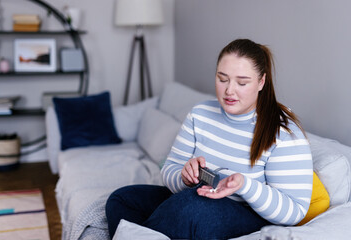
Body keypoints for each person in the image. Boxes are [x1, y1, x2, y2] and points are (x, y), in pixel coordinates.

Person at [105, 39, 313, 239]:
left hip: (244, 212)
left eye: (242, 82)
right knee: (122, 199)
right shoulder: (200, 114)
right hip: (193, 199)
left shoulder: (283, 132)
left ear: (261, 82)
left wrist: (244, 185)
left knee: (194, 205)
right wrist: (184, 177)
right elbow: (170, 169)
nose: (229, 90)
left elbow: (295, 211)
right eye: (222, 79)